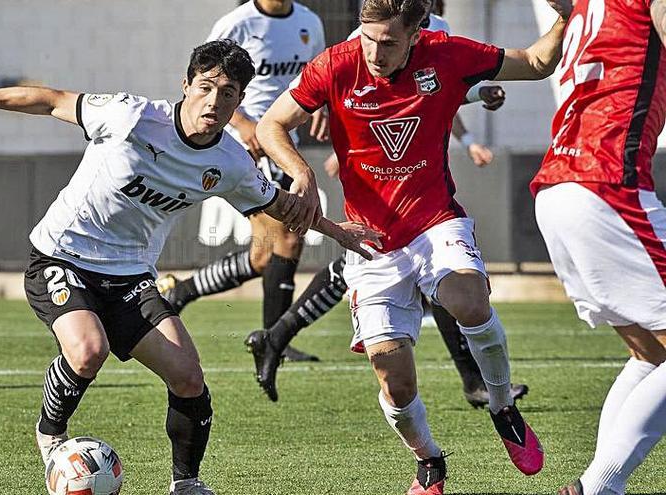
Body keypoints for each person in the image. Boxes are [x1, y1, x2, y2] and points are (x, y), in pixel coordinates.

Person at [0, 39, 379, 495]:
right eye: (206, 87)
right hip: (62, 256)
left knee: (189, 376)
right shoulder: (130, 115)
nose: (214, 100)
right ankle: (50, 434)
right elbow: (48, 100)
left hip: (130, 278)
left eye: (228, 93)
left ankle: (186, 483)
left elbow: (280, 206)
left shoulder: (230, 161)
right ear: (186, 85)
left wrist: (338, 232)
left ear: (238, 101)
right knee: (88, 351)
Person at [255, 0, 572, 492]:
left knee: (467, 300)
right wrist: (301, 171)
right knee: (395, 384)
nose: (375, 53)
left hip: (435, 223)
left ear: (416, 33)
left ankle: (501, 403)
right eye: (368, 39)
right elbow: (270, 125)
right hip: (371, 244)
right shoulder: (336, 64)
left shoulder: (447, 53)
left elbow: (535, 63)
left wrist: (567, 16)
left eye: (389, 42)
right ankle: (429, 461)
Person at [531, 1, 666, 494]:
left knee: (651, 353)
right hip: (606, 183)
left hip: (559, 188)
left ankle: (601, 486)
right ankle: (598, 487)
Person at [157, 0, 329, 363]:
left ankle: (183, 292)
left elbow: (316, 76)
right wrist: (243, 123)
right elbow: (206, 83)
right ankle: (274, 341)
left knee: (265, 254)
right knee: (286, 237)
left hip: (284, 141)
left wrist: (323, 105)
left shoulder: (309, 22)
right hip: (247, 146)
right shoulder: (236, 23)